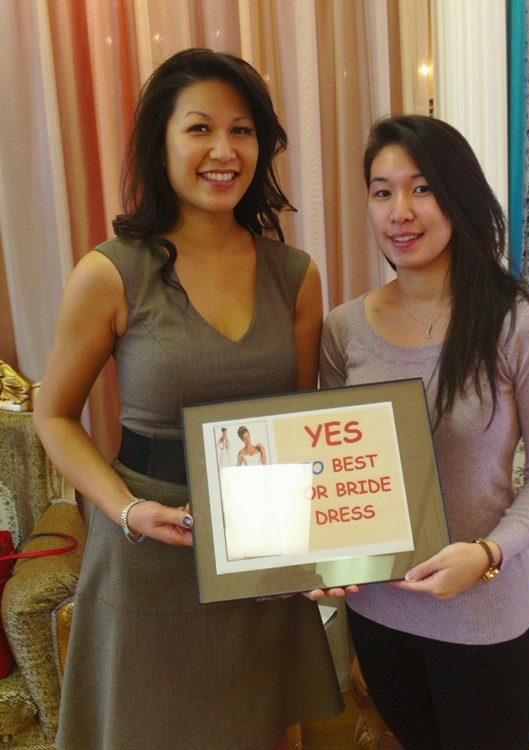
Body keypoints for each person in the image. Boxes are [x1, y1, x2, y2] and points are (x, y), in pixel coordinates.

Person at [34, 48, 344, 750]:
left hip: (258, 555)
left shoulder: (294, 275)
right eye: (200, 128)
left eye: (242, 130)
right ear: (161, 142)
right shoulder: (111, 272)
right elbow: (53, 415)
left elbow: (297, 427)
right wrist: (127, 511)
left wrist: (332, 549)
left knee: (261, 730)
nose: (223, 150)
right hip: (148, 554)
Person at [320, 114, 529, 750]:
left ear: (459, 196)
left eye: (421, 188)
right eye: (382, 191)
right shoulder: (343, 328)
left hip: (484, 620)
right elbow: (334, 471)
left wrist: (487, 555)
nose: (399, 211)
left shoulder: (525, 326)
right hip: (377, 613)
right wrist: (313, 553)